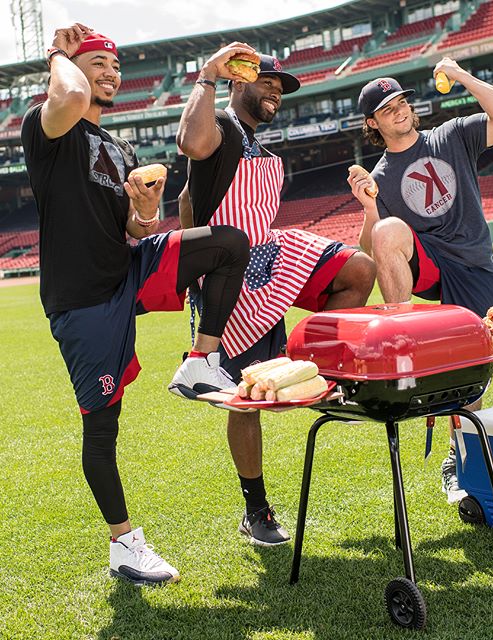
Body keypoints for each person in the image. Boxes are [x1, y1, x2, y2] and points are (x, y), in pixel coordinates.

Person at [22, 25, 250, 586]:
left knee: (228, 244)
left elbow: (133, 228)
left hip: (129, 269)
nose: (109, 74)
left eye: (115, 66)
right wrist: (54, 53)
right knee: (103, 428)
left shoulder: (120, 147)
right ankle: (123, 545)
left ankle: (200, 360)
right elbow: (70, 95)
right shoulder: (46, 125)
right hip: (84, 300)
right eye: (96, 63)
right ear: (71, 69)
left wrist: (146, 209)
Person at [173, 43, 376, 546]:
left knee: (358, 269)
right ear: (238, 81)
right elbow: (190, 147)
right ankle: (256, 508)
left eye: (280, 88)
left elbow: (186, 198)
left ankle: (314, 369)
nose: (276, 93)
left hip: (271, 256)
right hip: (231, 279)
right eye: (267, 82)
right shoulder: (220, 127)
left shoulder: (257, 145)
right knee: (245, 400)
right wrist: (207, 74)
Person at [349, 60, 493, 503]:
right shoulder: (380, 177)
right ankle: (400, 342)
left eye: (402, 102)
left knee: (466, 368)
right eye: (387, 109)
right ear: (373, 123)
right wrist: (368, 206)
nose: (399, 110)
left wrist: (461, 75)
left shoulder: (451, 135)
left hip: (473, 264)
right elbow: (373, 248)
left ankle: (458, 452)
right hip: (430, 263)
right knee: (388, 230)